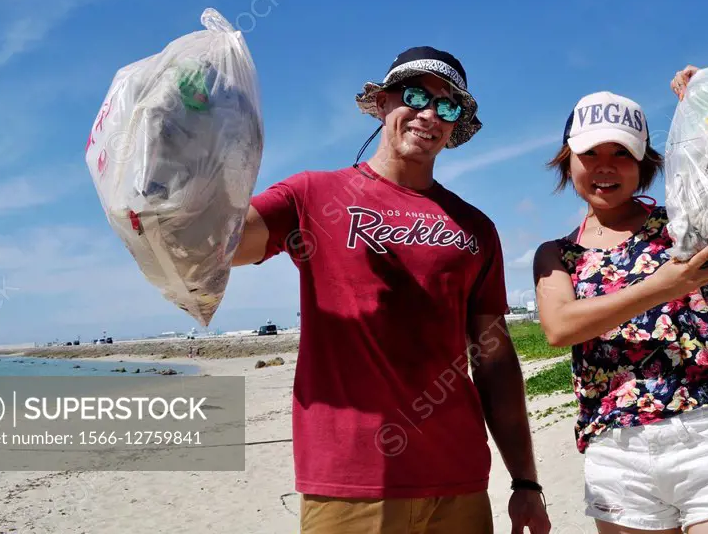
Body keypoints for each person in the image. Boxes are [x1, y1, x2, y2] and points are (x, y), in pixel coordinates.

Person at [232, 46, 552, 534]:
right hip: (350, 482)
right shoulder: (312, 196)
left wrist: (525, 481)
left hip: (459, 478)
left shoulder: (475, 227)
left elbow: (493, 358)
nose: (429, 114)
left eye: (446, 106)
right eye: (415, 95)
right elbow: (224, 244)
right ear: (381, 102)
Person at [532, 78, 708, 533]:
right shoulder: (556, 254)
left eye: (622, 154)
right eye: (590, 153)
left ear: (644, 165)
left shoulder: (685, 223)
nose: (605, 166)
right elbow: (559, 327)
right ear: (567, 160)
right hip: (616, 447)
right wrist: (665, 285)